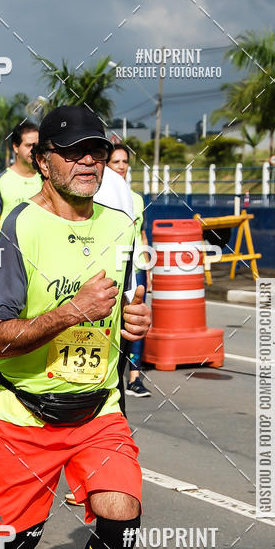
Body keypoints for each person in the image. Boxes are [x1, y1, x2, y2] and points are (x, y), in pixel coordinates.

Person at [0, 106, 151, 549]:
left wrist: (135, 321)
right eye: (74, 151)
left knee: (121, 510)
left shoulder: (121, 224)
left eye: (97, 151)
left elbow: (128, 304)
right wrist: (71, 311)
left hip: (97, 409)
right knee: (17, 542)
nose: (88, 161)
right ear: (43, 160)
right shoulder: (19, 229)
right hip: (23, 412)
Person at [0, 122, 41, 291]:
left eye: (37, 145)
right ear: (16, 147)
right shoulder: (1, 182)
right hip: (11, 264)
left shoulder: (47, 179)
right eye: (29, 145)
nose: (34, 150)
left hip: (42, 262)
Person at [108, 144, 152, 397]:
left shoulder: (136, 199)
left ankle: (135, 376)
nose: (122, 166)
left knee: (136, 318)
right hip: (112, 267)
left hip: (135, 267)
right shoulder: (101, 196)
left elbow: (142, 233)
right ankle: (111, 371)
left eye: (125, 161)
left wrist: (147, 265)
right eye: (116, 161)